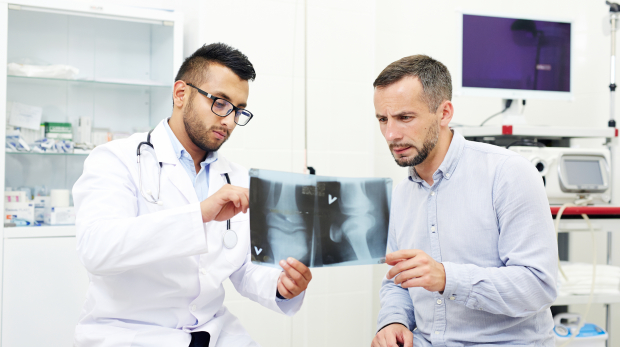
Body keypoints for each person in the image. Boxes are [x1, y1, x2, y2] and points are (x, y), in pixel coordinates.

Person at [72, 43, 312, 347]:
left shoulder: (235, 178)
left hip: (214, 333)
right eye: (221, 103)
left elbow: (242, 266)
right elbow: (97, 250)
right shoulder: (115, 159)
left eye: (238, 110)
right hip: (131, 334)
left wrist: (280, 285)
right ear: (181, 94)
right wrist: (199, 214)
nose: (228, 120)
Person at [370, 55, 558, 347]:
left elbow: (538, 286)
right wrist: (393, 321)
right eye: (383, 119)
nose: (392, 134)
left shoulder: (508, 174)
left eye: (405, 118)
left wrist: (448, 278)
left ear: (444, 113)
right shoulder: (402, 194)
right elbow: (398, 282)